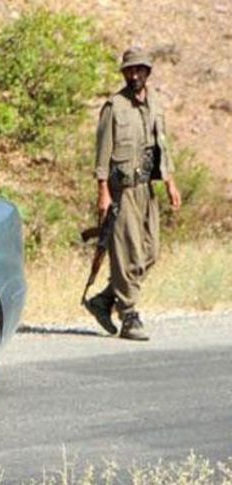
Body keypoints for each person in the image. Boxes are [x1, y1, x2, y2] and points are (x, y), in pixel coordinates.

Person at [85, 47, 182, 341]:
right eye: (129, 70)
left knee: (150, 251)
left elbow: (161, 145)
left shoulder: (155, 104)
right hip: (121, 189)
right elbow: (102, 153)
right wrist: (103, 191)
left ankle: (104, 300)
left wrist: (170, 183)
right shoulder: (115, 107)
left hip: (146, 188)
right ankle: (128, 315)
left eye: (139, 69)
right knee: (127, 253)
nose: (134, 74)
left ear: (148, 72)